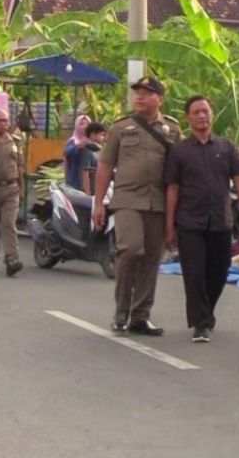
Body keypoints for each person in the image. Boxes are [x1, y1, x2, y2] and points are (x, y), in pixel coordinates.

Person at [93, 76, 182, 335]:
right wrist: (99, 203)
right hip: (127, 200)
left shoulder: (173, 130)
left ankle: (140, 316)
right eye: (137, 93)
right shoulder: (121, 127)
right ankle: (122, 309)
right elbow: (105, 166)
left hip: (158, 203)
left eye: (147, 93)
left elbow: (179, 169)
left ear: (160, 99)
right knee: (130, 250)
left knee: (152, 259)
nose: (139, 97)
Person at [165, 95, 239, 343]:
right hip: (189, 221)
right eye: (196, 112)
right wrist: (169, 225)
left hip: (220, 220)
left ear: (212, 114)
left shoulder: (225, 148)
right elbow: (172, 188)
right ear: (188, 117)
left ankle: (207, 311)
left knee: (219, 270)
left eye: (205, 111)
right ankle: (200, 324)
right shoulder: (179, 151)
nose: (202, 116)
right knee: (194, 273)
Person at [0, 109, 24, 277]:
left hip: (11, 189)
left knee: (9, 223)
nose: (3, 124)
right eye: (0, 120)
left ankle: (11, 259)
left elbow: (20, 166)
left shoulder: (15, 142)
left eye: (6, 121)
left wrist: (21, 187)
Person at [77, 122, 107, 195]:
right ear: (93, 134)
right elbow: (85, 173)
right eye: (101, 135)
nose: (103, 138)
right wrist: (88, 193)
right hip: (92, 190)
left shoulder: (99, 149)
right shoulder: (87, 150)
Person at [63, 114, 91, 188]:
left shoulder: (92, 141)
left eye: (87, 124)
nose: (85, 126)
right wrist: (78, 146)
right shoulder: (73, 141)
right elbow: (67, 153)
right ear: (77, 126)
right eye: (82, 124)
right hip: (75, 181)